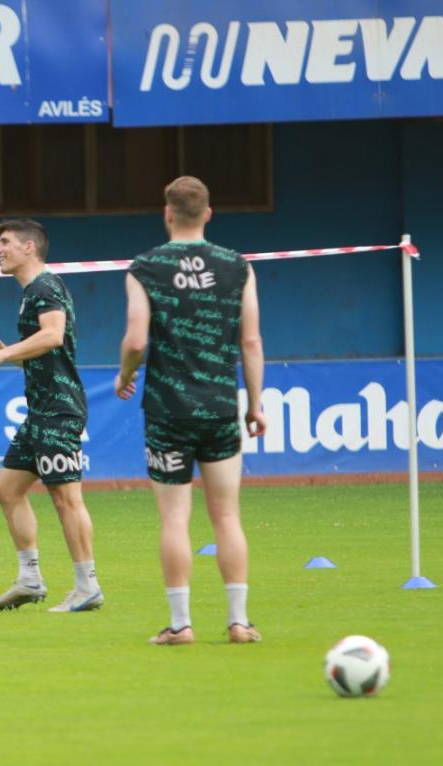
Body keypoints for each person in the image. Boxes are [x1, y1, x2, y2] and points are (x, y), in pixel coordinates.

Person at [113, 176, 266, 645]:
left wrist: (124, 375)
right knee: (226, 516)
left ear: (167, 213)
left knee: (175, 519)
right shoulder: (237, 266)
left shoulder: (145, 267)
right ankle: (239, 621)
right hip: (220, 405)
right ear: (208, 213)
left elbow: (137, 339)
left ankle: (180, 625)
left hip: (167, 409)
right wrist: (255, 404)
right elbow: (251, 341)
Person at [0, 219, 104, 613]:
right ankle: (30, 579)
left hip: (59, 409)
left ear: (29, 248)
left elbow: (54, 335)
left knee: (65, 497)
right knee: (8, 489)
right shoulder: (33, 292)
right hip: (42, 408)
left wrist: (2, 354)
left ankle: (87, 586)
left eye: (4, 242)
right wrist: (10, 350)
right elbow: (47, 350)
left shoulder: (44, 286)